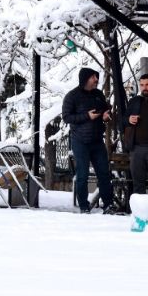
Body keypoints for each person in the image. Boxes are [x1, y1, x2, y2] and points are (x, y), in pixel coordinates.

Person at [62, 67, 117, 214]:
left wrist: (106, 115)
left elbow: (106, 109)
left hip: (97, 140)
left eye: (96, 77)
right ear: (85, 79)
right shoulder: (72, 96)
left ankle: (108, 205)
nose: (96, 80)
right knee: (82, 175)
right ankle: (84, 206)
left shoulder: (98, 94)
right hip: (80, 141)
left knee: (104, 173)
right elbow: (66, 117)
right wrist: (87, 116)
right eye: (93, 77)